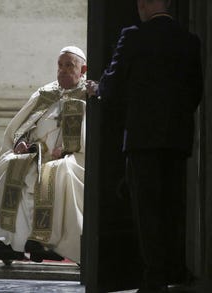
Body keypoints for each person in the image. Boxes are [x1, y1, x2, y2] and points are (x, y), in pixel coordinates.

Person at [86, 0, 203, 291]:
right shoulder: (189, 40)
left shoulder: (134, 36)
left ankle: (155, 278)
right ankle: (174, 269)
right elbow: (196, 91)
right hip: (177, 138)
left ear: (145, 4)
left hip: (141, 138)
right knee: (172, 207)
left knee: (146, 210)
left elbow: (111, 87)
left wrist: (98, 88)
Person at [0, 46, 88, 264]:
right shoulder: (45, 94)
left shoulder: (89, 94)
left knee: (57, 171)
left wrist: (69, 148)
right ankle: (9, 242)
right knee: (11, 166)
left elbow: (92, 135)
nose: (62, 70)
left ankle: (46, 242)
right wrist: (21, 142)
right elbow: (23, 126)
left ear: (83, 69)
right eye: (60, 65)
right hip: (36, 154)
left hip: (73, 157)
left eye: (69, 66)